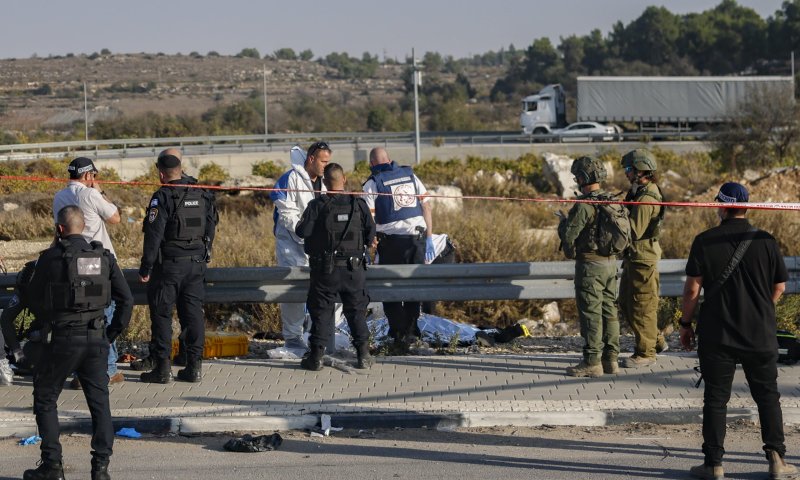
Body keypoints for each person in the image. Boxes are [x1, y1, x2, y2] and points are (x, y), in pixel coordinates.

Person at [680, 182, 796, 479]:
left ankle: (714, 465)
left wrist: (685, 325)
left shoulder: (704, 241)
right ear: (746, 206)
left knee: (716, 399)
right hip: (759, 333)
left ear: (721, 206)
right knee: (767, 396)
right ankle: (777, 461)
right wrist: (759, 309)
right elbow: (779, 287)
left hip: (717, 333)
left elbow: (693, 289)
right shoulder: (767, 241)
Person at [22, 205, 133, 480]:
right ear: (82, 227)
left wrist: (51, 319)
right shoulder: (104, 257)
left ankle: (52, 467)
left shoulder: (51, 258)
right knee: (100, 404)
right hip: (97, 340)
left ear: (60, 229)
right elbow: (126, 300)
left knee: (46, 398)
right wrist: (110, 335)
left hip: (63, 340)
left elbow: (32, 298)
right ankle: (101, 469)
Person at [138, 149, 217, 384]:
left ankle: (162, 370)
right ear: (180, 169)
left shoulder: (162, 197)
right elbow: (211, 226)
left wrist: (146, 267)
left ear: (161, 174)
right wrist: (205, 253)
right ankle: (194, 368)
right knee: (193, 316)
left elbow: (153, 235)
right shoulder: (202, 193)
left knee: (162, 315)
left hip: (169, 267)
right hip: (196, 265)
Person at [295, 163, 376, 370]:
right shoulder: (358, 205)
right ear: (345, 179)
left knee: (321, 311)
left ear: (323, 182)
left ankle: (316, 357)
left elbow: (302, 231)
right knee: (356, 311)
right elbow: (370, 234)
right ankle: (363, 355)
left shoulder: (317, 205)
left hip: (325, 270)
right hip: (353, 270)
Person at [53, 156, 124, 387]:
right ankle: (108, 369)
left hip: (70, 263)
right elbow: (115, 218)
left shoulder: (59, 197)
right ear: (87, 176)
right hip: (98, 263)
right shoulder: (91, 194)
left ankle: (79, 371)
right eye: (94, 175)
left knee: (78, 317)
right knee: (105, 314)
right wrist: (101, 192)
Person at [362, 147, 434, 348]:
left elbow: (368, 219)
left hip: (392, 243)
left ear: (371, 165)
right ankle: (412, 332)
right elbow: (426, 206)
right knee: (414, 288)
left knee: (389, 288)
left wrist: (369, 243)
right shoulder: (410, 176)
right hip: (417, 241)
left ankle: (399, 333)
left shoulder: (372, 183)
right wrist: (429, 237)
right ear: (390, 160)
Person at [557, 156, 619, 377]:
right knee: (609, 311)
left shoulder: (584, 206)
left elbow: (569, 235)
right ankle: (611, 360)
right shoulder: (612, 200)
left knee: (591, 314)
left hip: (590, 267)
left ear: (583, 178)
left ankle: (592, 361)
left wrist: (563, 223)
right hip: (610, 265)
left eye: (577, 177)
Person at [271, 143, 330, 351]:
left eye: (328, 161)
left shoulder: (324, 182)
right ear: (311, 159)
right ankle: (293, 337)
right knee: (294, 292)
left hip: (317, 245)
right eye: (323, 161)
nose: (326, 165)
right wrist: (301, 229)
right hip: (291, 245)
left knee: (322, 290)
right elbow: (284, 208)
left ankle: (318, 334)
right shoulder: (290, 178)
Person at [618, 149, 666, 368]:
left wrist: (617, 216)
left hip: (643, 259)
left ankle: (646, 353)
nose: (626, 173)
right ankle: (655, 340)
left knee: (642, 307)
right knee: (627, 303)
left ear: (640, 171)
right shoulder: (638, 191)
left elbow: (635, 231)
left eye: (629, 169)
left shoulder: (646, 198)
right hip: (634, 257)